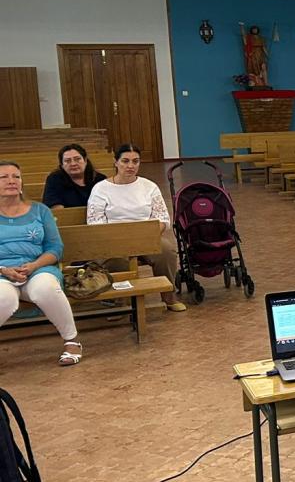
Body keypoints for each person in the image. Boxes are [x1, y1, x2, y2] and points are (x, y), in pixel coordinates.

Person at [0, 161, 81, 365]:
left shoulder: (40, 210)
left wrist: (34, 266)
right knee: (4, 298)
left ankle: (72, 341)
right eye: (4, 177)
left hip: (38, 269)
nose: (11, 181)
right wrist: (4, 269)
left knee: (46, 288)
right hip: (2, 273)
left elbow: (55, 248)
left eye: (16, 176)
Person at [87, 143, 185, 311]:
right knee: (118, 261)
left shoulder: (149, 186)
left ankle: (168, 295)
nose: (130, 166)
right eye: (125, 161)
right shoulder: (101, 189)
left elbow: (162, 218)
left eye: (135, 161)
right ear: (116, 162)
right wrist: (119, 238)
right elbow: (95, 222)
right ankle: (120, 301)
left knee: (167, 251)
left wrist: (148, 234)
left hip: (146, 237)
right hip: (113, 240)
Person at [42, 144, 108, 209]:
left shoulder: (100, 179)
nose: (73, 164)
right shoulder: (54, 179)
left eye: (77, 159)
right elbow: (55, 207)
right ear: (62, 165)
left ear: (85, 161)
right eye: (67, 161)